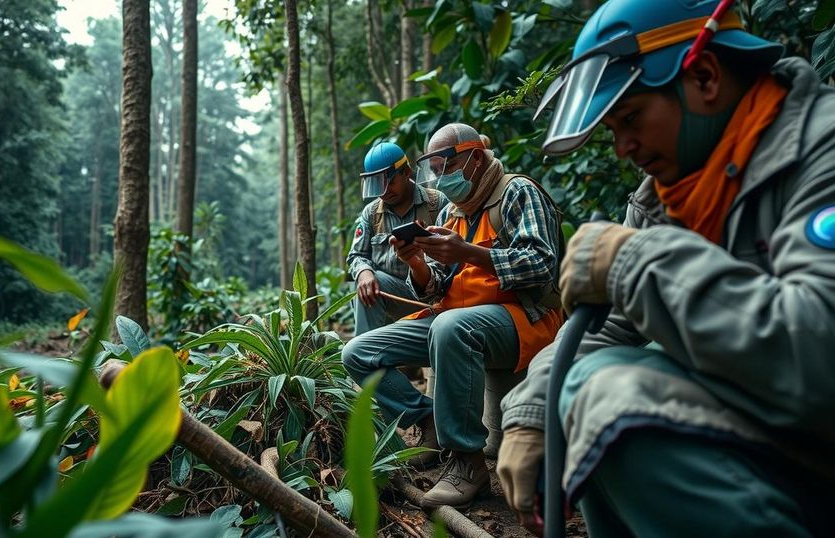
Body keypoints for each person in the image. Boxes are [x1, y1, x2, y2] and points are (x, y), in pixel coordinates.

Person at [496, 1, 835, 536]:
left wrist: (631, 261)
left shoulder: (823, 152)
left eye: (630, 119)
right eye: (612, 129)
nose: (624, 147)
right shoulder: (668, 194)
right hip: (774, 441)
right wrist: (533, 410)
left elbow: (816, 353)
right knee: (575, 390)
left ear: (704, 76)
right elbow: (609, 325)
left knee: (602, 394)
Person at [342, 123, 564, 509]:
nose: (442, 176)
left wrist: (470, 253)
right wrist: (416, 263)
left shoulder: (517, 192)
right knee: (358, 353)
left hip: (521, 318)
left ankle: (467, 464)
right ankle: (428, 417)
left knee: (449, 326)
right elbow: (436, 289)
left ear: (475, 158)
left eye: (447, 164)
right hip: (456, 318)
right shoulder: (449, 210)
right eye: (435, 168)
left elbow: (543, 265)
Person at [347, 142, 449, 336]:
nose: (384, 191)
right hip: (394, 300)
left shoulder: (436, 204)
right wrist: (364, 273)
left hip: (437, 299)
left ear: (407, 173)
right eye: (377, 185)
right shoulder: (371, 214)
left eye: (389, 182)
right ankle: (365, 357)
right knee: (366, 284)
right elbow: (356, 256)